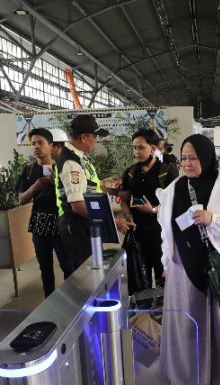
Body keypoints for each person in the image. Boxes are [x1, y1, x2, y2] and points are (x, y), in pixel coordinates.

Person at [156, 134, 220, 385]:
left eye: (193, 158)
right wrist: (166, 262)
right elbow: (168, 228)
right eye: (183, 158)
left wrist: (214, 219)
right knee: (185, 327)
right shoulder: (175, 187)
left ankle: (213, 383)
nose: (187, 164)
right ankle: (185, 378)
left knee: (214, 327)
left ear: (207, 158)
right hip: (180, 267)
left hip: (213, 267)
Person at [56, 114, 133, 269]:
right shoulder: (72, 163)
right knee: (83, 275)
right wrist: (110, 222)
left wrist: (111, 191)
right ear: (84, 137)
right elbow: (78, 205)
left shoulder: (80, 157)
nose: (96, 141)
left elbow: (88, 186)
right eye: (95, 136)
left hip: (84, 225)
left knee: (93, 269)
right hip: (76, 226)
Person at [17, 128, 75, 297]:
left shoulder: (64, 168)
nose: (36, 147)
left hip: (61, 223)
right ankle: (49, 298)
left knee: (67, 264)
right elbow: (21, 199)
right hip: (39, 224)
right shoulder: (29, 170)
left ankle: (72, 299)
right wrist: (36, 187)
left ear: (51, 145)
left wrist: (58, 183)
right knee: (44, 266)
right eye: (33, 143)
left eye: (40, 142)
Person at [120, 129, 178, 288]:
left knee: (163, 275)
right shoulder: (131, 173)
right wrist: (127, 217)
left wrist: (152, 209)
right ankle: (142, 305)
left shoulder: (166, 172)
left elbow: (175, 205)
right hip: (138, 233)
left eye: (140, 147)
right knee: (138, 274)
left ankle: (162, 307)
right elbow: (124, 200)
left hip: (161, 234)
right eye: (134, 148)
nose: (136, 152)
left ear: (153, 148)